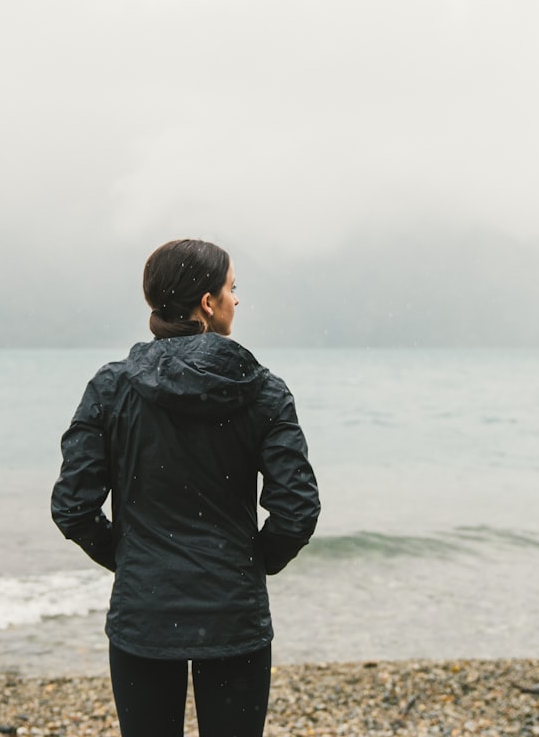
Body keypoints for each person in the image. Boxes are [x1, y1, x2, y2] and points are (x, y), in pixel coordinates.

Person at [51, 238, 320, 737]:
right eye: (232, 289)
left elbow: (72, 507)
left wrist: (133, 560)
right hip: (233, 612)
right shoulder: (264, 390)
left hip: (143, 612)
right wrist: (252, 563)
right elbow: (297, 510)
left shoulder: (111, 388)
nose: (237, 300)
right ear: (207, 303)